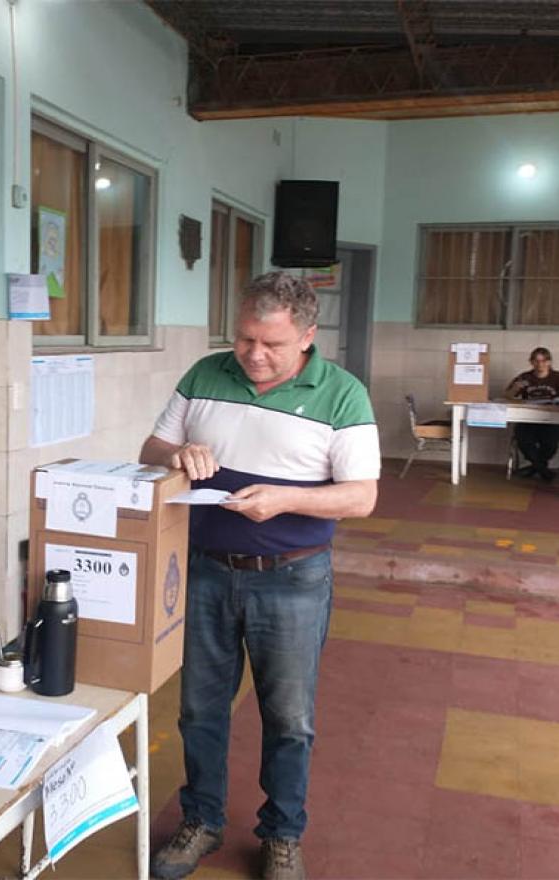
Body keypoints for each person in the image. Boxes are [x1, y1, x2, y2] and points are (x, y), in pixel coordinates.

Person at [140, 272, 379, 880]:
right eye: (246, 338)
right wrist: (178, 455)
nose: (253, 354)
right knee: (199, 708)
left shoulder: (342, 394)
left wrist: (286, 500)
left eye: (271, 344)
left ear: (307, 336)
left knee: (290, 718)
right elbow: (151, 447)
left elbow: (360, 497)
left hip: (293, 579)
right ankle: (201, 820)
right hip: (204, 572)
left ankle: (282, 834)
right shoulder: (204, 374)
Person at [503, 347, 559, 481]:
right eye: (536, 361)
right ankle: (542, 469)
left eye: (544, 361)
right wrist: (515, 388)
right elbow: (507, 395)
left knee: (551, 440)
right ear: (531, 362)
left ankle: (536, 467)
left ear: (549, 362)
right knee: (522, 438)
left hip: (553, 420)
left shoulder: (558, 377)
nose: (540, 364)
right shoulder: (525, 377)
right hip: (529, 419)